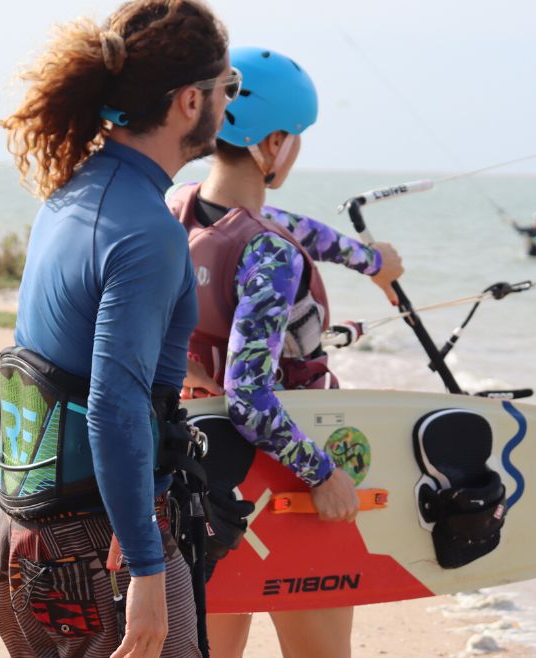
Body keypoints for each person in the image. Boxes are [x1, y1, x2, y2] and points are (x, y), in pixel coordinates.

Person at [0, 2, 233, 657]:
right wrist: (149, 571)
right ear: (188, 101)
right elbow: (113, 408)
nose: (226, 106)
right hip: (105, 543)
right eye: (225, 89)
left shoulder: (69, 195)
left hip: (21, 532)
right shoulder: (147, 232)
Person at [167, 47, 405, 658]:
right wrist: (324, 475)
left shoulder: (177, 208)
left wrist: (371, 261)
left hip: (196, 470)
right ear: (272, 143)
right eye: (296, 137)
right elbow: (250, 399)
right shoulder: (266, 251)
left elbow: (290, 229)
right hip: (281, 477)